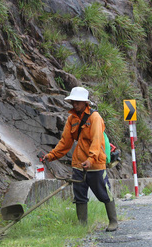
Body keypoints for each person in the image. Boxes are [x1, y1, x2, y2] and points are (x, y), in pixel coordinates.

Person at [40, 86, 118, 232]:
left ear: (85, 103)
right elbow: (65, 142)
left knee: (103, 192)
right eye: (73, 101)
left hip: (95, 164)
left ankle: (113, 221)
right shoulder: (72, 119)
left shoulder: (95, 118)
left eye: (77, 102)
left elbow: (96, 141)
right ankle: (82, 226)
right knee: (80, 195)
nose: (74, 104)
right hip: (78, 164)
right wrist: (51, 156)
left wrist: (91, 160)